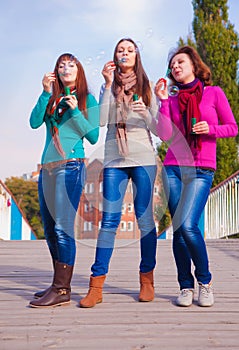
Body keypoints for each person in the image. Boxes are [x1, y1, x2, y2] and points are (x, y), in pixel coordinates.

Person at [154, 45, 238, 307]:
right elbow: (165, 134)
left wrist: (210, 128)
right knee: (178, 230)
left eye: (180, 62)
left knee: (188, 225)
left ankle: (205, 281)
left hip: (201, 168)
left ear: (193, 65)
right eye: (172, 65)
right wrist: (162, 101)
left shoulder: (214, 94)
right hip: (173, 168)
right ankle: (185, 286)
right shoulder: (172, 99)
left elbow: (233, 127)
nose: (175, 67)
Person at [79, 38, 159, 308]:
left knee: (145, 220)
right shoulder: (108, 87)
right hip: (114, 159)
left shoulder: (147, 86)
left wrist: (146, 113)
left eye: (129, 50)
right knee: (110, 221)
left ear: (136, 56)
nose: (124, 54)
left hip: (144, 158)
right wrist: (107, 83)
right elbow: (101, 121)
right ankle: (96, 285)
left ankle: (147, 280)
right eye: (120, 51)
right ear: (115, 57)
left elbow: (159, 128)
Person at [29, 53, 99, 308]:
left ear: (78, 71)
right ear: (55, 72)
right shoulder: (51, 98)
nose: (65, 68)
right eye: (61, 65)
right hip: (47, 168)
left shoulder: (87, 99)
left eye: (71, 65)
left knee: (62, 227)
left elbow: (92, 136)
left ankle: (62, 289)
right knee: (48, 229)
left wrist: (75, 110)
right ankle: (57, 282)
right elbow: (34, 122)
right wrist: (45, 93)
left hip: (71, 166)